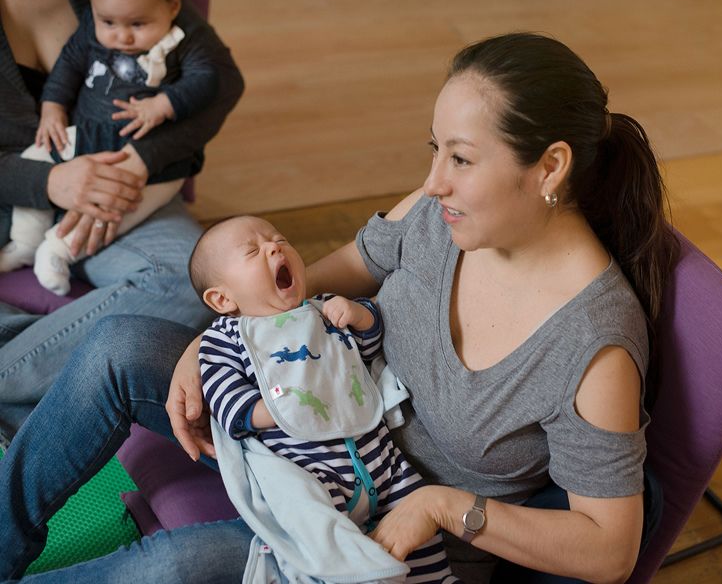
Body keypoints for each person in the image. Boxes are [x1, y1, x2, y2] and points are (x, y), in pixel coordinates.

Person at [0, 32, 676, 583]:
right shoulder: (443, 215)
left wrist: (443, 507)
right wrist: (222, 333)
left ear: (550, 167)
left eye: (462, 159)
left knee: (173, 566)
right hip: (298, 424)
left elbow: (608, 550)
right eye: (435, 149)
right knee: (117, 346)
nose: (433, 182)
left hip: (373, 536)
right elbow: (348, 266)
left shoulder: (594, 346)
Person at [0, 0, 244, 439]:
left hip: (127, 182)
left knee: (201, 281)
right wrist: (50, 182)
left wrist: (139, 162)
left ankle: (17, 379)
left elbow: (223, 81)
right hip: (12, 199)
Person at [191, 215, 458, 583]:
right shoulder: (226, 339)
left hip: (383, 464)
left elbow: (367, 350)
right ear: (222, 298)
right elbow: (226, 403)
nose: (275, 247)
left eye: (279, 239)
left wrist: (360, 316)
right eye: (253, 251)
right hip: (312, 473)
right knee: (320, 533)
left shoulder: (323, 311)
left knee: (416, 516)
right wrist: (277, 407)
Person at [1, 0, 219, 297]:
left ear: (173, 7)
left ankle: (57, 251)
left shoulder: (148, 8)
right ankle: (26, 248)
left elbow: (214, 81)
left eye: (137, 24)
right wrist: (48, 178)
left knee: (193, 282)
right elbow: (69, 64)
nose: (123, 37)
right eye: (108, 23)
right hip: (29, 182)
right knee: (36, 157)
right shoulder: (97, 19)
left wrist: (159, 118)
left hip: (138, 168)